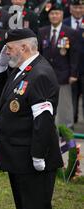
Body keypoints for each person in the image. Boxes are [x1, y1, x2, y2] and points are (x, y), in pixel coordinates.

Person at [0, 28, 63, 209]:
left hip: (33, 159)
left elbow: (42, 119)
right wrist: (0, 68)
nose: (6, 52)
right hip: (19, 158)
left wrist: (38, 155)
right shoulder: (24, 70)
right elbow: (7, 96)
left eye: (9, 48)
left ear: (24, 47)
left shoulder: (40, 73)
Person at [38, 1, 80, 129]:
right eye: (52, 14)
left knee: (64, 104)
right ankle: (49, 127)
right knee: (45, 102)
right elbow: (39, 52)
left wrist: (73, 73)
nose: (54, 16)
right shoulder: (42, 31)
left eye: (57, 13)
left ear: (62, 15)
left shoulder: (70, 32)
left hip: (64, 74)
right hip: (46, 73)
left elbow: (75, 55)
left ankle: (66, 129)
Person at [64, 0, 83, 123]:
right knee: (71, 98)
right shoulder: (64, 23)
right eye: (75, 7)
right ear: (70, 8)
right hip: (69, 68)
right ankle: (71, 122)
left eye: (81, 7)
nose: (78, 10)